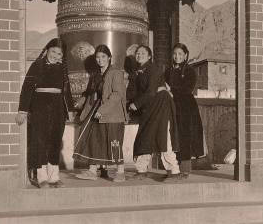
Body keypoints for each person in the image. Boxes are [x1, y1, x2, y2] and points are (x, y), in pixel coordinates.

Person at [15, 38, 72, 188]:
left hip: (58, 108)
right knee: (40, 141)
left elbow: (67, 91)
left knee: (55, 141)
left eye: (59, 54)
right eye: (53, 51)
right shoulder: (37, 65)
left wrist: (70, 110)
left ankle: (54, 178)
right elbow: (27, 88)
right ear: (47, 50)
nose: (55, 55)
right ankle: (41, 177)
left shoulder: (62, 68)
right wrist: (23, 110)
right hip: (40, 107)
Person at [73, 45, 128, 182]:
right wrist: (81, 101)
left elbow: (117, 94)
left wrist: (102, 110)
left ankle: (120, 172)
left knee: (114, 141)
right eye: (97, 57)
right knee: (94, 140)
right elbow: (90, 92)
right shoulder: (96, 74)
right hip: (96, 111)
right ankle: (92, 171)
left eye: (103, 56)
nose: (100, 60)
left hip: (112, 113)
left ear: (109, 57)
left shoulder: (116, 72)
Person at [127, 45, 181, 181]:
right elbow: (131, 92)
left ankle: (174, 171)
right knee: (145, 136)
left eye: (143, 53)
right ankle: (141, 170)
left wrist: (136, 104)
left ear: (150, 56)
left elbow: (151, 91)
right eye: (137, 53)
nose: (139, 55)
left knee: (163, 137)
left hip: (161, 106)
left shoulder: (153, 69)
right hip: (149, 108)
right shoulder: (137, 72)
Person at [165, 43, 204, 178]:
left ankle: (185, 169)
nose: (177, 57)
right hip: (171, 106)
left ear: (185, 55)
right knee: (172, 136)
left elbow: (187, 89)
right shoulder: (168, 70)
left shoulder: (189, 71)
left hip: (186, 108)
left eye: (180, 54)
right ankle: (172, 167)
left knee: (184, 136)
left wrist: (171, 90)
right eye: (175, 54)